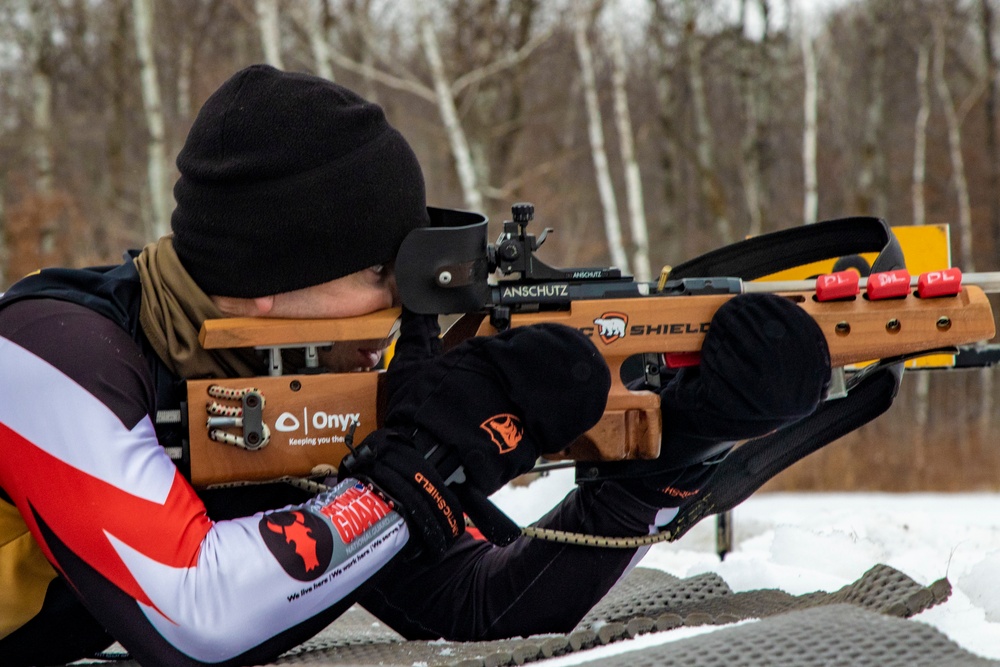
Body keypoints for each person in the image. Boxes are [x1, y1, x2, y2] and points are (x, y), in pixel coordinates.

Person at [0, 65, 831, 667]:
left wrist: (675, 450)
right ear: (266, 282)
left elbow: (481, 603)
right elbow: (194, 613)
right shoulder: (45, 356)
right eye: (375, 273)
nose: (400, 304)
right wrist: (416, 471)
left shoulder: (288, 373)